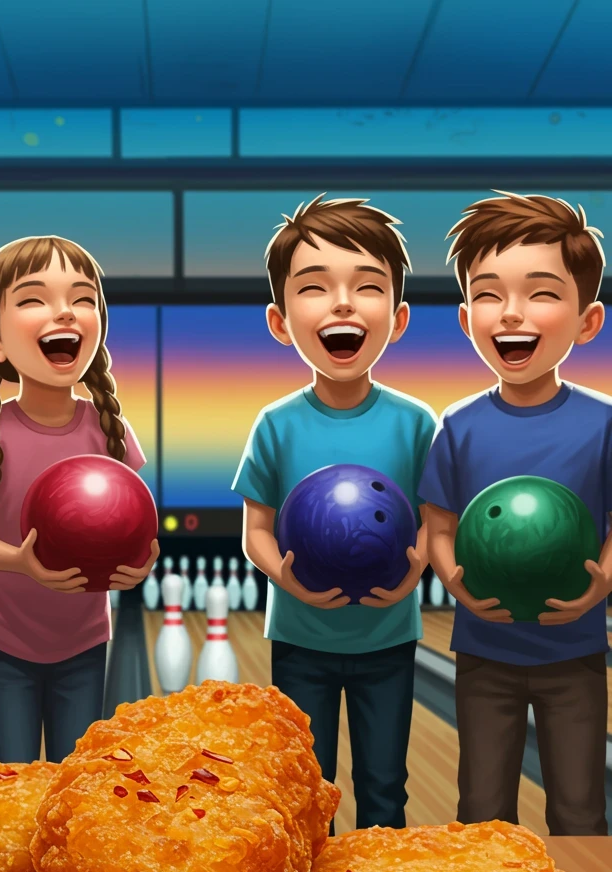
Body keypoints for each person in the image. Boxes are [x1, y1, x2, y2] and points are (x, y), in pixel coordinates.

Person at [233, 195, 435, 830]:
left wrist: (414, 571)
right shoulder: (275, 424)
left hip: (388, 636)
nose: (343, 304)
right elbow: (256, 531)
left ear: (397, 319)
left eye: (367, 287)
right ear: (280, 320)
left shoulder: (414, 423)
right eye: (315, 288)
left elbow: (436, 521)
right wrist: (287, 579)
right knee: (304, 793)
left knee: (384, 785)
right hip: (299, 639)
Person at [421, 191, 612, 835]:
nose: (511, 314)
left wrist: (602, 584)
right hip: (484, 649)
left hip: (577, 650)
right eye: (488, 294)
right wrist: (457, 586)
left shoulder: (604, 423)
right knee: (480, 813)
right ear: (466, 316)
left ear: (587, 322)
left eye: (541, 293)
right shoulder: (460, 425)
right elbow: (438, 526)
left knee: (582, 810)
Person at [0, 235, 158, 764]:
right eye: (34, 298)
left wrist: (141, 564)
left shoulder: (109, 431)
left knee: (72, 781)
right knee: (14, 778)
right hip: (1, 638)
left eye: (82, 298)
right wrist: (22, 562)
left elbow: (137, 530)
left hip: (83, 639)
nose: (64, 311)